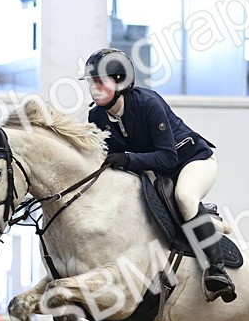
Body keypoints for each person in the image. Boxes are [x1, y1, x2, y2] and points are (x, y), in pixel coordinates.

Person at [82, 47, 235, 303]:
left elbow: (168, 157)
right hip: (156, 172)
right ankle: (204, 221)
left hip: (192, 161)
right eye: (91, 82)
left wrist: (128, 158)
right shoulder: (96, 116)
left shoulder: (148, 104)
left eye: (101, 81)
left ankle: (217, 271)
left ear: (120, 82)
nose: (94, 88)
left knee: (185, 197)